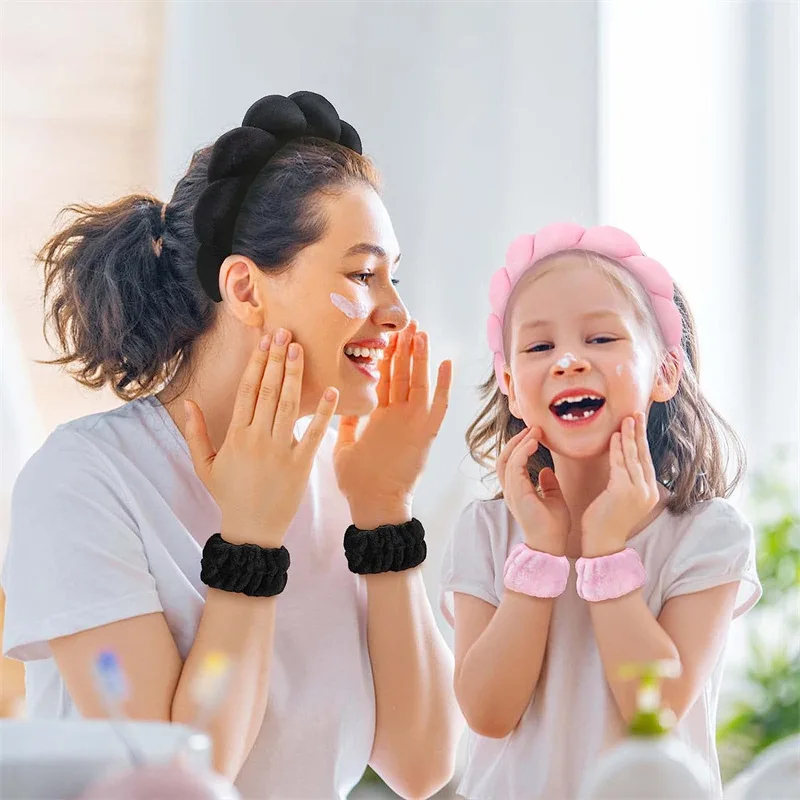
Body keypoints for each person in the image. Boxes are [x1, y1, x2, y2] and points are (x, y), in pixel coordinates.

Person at [2, 91, 461, 800]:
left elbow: (424, 765)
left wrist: (385, 511)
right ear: (245, 288)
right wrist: (249, 543)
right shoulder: (84, 481)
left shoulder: (346, 481)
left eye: (392, 276)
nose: (396, 310)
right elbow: (175, 779)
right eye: (363, 274)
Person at [440, 222, 762, 799]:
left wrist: (607, 548)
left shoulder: (708, 535)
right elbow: (488, 712)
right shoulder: (487, 532)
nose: (567, 361)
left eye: (601, 339)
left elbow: (655, 711)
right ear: (512, 387)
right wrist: (538, 552)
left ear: (665, 371)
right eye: (540, 347)